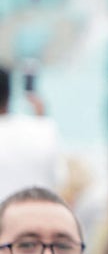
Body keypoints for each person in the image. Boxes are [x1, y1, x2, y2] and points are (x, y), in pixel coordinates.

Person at [0, 66, 65, 203]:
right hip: (36, 215)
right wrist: (42, 120)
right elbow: (60, 177)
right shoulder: (43, 129)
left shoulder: (42, 128)